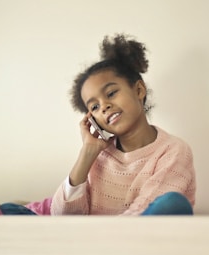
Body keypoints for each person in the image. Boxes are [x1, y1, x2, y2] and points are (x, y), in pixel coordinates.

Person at [47, 34, 196, 216]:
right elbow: (59, 217)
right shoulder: (98, 156)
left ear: (139, 90)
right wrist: (87, 154)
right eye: (94, 106)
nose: (104, 107)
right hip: (93, 239)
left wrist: (101, 238)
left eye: (111, 93)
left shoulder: (174, 150)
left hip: (137, 239)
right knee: (10, 210)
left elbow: (145, 210)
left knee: (172, 203)